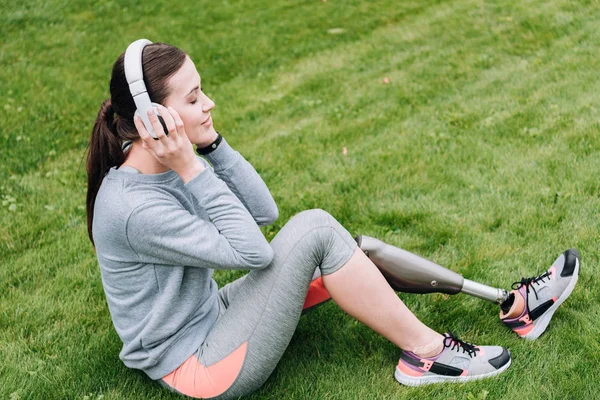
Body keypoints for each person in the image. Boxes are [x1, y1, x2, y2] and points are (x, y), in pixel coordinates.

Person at [86, 41, 580, 399]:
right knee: (317, 230)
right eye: (193, 99)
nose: (209, 102)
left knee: (346, 248)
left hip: (214, 316)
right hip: (198, 364)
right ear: (154, 120)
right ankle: (427, 354)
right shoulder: (133, 210)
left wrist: (211, 145)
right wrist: (192, 167)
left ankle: (516, 307)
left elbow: (263, 213)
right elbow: (253, 251)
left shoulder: (167, 165)